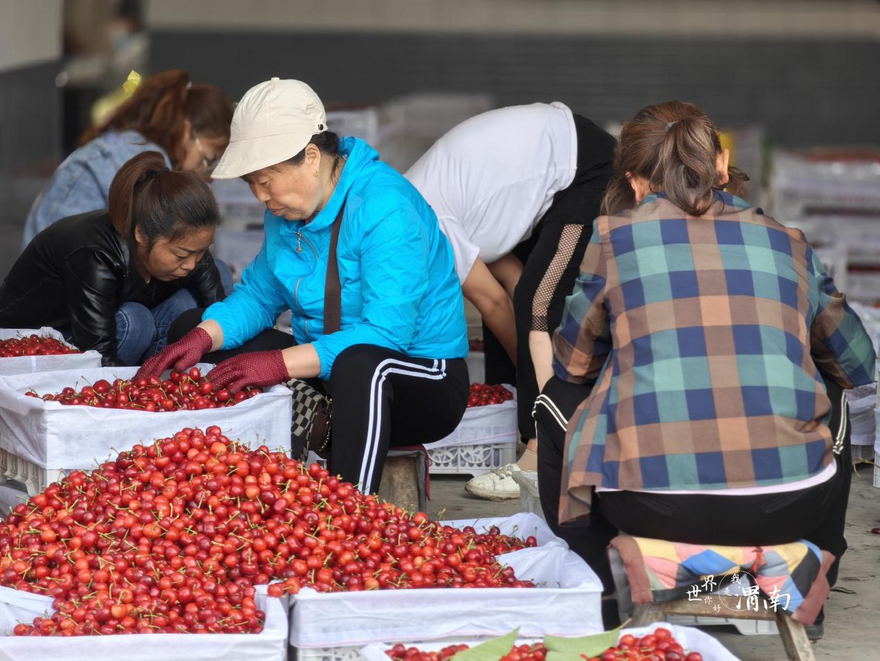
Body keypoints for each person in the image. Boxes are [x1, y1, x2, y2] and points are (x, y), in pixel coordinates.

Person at [535, 101, 875, 616]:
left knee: (558, 399)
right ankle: (805, 568)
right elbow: (857, 364)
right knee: (832, 392)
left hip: (653, 505)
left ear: (636, 183)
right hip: (788, 505)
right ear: (720, 165)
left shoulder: (614, 239)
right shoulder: (789, 243)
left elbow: (572, 366)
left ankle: (607, 581)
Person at [137, 78, 469, 494]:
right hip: (330, 370)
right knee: (194, 325)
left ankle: (351, 514)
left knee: (361, 364)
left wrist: (277, 364)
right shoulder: (288, 212)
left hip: (417, 379)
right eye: (250, 184)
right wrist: (204, 335)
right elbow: (259, 295)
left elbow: (387, 335)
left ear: (311, 158)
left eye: (265, 180)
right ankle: (242, 480)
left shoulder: (386, 207)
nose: (260, 196)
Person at [406, 103, 616, 500]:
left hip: (581, 167)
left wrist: (540, 370)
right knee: (529, 305)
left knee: (538, 307)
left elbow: (497, 303)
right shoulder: (412, 203)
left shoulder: (419, 222)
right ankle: (524, 413)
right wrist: (523, 375)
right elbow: (506, 276)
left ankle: (542, 453)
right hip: (555, 165)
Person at [0, 151, 226, 366]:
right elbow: (98, 354)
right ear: (141, 235)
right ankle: (144, 380)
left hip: (112, 326)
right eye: (181, 254)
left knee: (220, 273)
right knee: (135, 322)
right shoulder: (95, 254)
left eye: (201, 251)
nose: (192, 263)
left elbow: (222, 317)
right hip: (48, 340)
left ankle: (155, 371)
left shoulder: (188, 246)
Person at [22, 69, 233, 248]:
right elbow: (158, 248)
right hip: (61, 285)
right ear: (187, 130)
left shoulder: (130, 145)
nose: (203, 171)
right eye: (207, 158)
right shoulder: (142, 163)